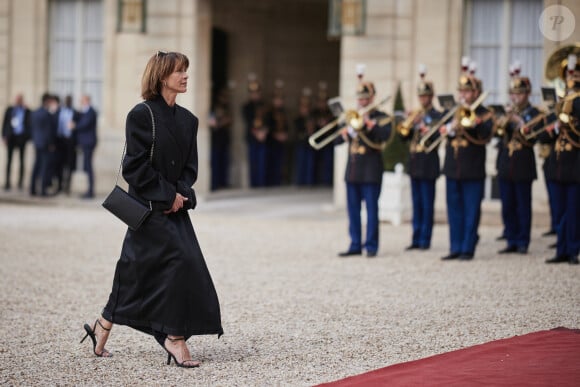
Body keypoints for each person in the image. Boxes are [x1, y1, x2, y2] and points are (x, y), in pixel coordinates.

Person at [81, 51, 223, 367]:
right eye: (179, 71)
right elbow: (134, 167)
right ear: (162, 77)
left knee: (135, 270)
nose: (186, 76)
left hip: (176, 208)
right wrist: (166, 195)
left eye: (187, 70)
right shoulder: (141, 115)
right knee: (177, 262)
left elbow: (190, 169)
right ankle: (174, 337)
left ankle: (103, 325)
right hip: (148, 210)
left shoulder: (189, 121)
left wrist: (182, 195)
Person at [440, 59, 493, 261]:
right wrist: (450, 127)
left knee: (471, 211)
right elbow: (443, 133)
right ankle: (455, 246)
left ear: (476, 93)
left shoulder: (484, 114)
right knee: (454, 210)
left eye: (467, 92)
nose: (463, 95)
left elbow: (487, 135)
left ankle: (468, 248)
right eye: (461, 91)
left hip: (472, 169)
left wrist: (474, 123)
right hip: (453, 168)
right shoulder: (454, 112)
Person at [337, 76, 391, 258]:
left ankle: (371, 245)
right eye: (359, 98)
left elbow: (384, 137)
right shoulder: (351, 116)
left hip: (371, 170)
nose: (362, 102)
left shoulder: (382, 118)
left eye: (365, 98)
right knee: (352, 210)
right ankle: (354, 243)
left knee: (372, 210)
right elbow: (336, 140)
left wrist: (368, 125)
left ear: (372, 98)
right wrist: (345, 133)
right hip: (353, 170)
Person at [494, 64, 541, 255]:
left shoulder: (534, 113)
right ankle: (511, 239)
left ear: (527, 94)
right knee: (507, 205)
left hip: (523, 164)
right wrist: (504, 120)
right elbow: (498, 135)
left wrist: (520, 123)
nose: (515, 97)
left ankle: (523, 241)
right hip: (506, 165)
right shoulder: (508, 112)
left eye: (519, 93)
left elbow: (535, 137)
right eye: (513, 93)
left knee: (523, 205)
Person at [398, 65, 444, 251]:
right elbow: (403, 137)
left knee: (427, 204)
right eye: (420, 96)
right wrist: (408, 124)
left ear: (431, 96)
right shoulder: (416, 114)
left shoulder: (437, 115)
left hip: (428, 165)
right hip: (415, 165)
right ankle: (416, 238)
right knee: (416, 204)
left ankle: (426, 239)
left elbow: (438, 138)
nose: (422, 99)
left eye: (425, 96)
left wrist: (425, 126)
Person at [541, 53, 580, 265]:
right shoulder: (561, 101)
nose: (570, 79)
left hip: (574, 165)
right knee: (560, 211)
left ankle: (573, 250)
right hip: (557, 165)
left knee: (573, 211)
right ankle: (561, 249)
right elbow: (543, 136)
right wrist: (555, 126)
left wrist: (569, 123)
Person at [29, 93, 58, 197]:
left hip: (37, 142)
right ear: (46, 101)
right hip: (45, 144)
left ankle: (32, 189)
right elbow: (48, 131)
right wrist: (51, 143)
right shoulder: (47, 114)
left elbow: (32, 128)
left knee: (36, 166)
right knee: (44, 167)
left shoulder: (34, 113)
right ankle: (42, 190)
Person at [242, 76, 268, 187]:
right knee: (253, 162)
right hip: (252, 136)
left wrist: (264, 132)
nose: (255, 95)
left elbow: (268, 120)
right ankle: (253, 185)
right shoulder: (246, 106)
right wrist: (257, 133)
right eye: (252, 92)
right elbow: (248, 121)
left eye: (257, 92)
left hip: (264, 137)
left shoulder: (265, 105)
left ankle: (261, 184)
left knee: (262, 162)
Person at [2, 93, 31, 191]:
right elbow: (5, 123)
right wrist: (4, 137)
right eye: (17, 99)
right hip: (11, 137)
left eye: (20, 99)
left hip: (21, 138)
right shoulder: (10, 110)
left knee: (22, 161)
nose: (18, 101)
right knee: (9, 161)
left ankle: (20, 183)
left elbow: (30, 123)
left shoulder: (26, 111)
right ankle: (7, 183)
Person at [72, 94, 98, 198]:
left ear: (86, 100)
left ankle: (90, 191)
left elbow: (84, 124)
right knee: (86, 166)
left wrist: (74, 126)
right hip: (85, 142)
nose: (80, 102)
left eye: (82, 100)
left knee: (88, 166)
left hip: (89, 142)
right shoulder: (84, 111)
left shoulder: (91, 111)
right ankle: (89, 190)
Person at [265, 80, 289, 186]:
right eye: (277, 99)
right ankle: (270, 182)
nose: (279, 102)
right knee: (270, 162)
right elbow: (267, 125)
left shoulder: (284, 112)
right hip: (271, 141)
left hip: (281, 141)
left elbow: (286, 125)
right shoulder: (269, 112)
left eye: (281, 100)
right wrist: (275, 135)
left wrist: (285, 135)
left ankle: (278, 181)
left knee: (280, 163)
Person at [209, 87, 232, 190]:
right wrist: (222, 122)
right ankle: (214, 184)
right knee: (215, 162)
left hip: (224, 138)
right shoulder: (213, 107)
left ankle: (223, 183)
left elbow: (230, 120)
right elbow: (214, 124)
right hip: (215, 138)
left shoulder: (227, 107)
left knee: (224, 162)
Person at [294, 87, 317, 186]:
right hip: (301, 143)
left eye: (307, 107)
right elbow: (298, 132)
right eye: (303, 107)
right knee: (301, 164)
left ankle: (309, 182)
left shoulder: (312, 118)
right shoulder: (298, 119)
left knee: (310, 164)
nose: (305, 109)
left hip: (310, 144)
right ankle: (300, 182)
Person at [55, 94, 77, 194]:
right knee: (59, 164)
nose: (68, 102)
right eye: (67, 100)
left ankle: (67, 187)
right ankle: (59, 186)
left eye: (70, 100)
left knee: (70, 165)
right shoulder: (59, 112)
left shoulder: (76, 113)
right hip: (60, 141)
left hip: (70, 142)